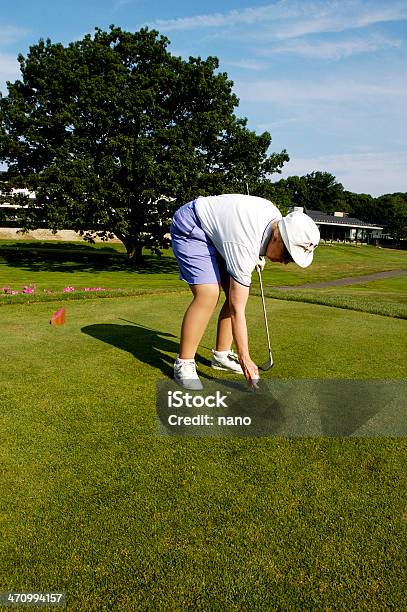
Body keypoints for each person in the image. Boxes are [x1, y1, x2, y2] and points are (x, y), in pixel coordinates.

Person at [170, 194, 320, 390]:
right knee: (208, 294)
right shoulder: (244, 246)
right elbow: (236, 310)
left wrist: (259, 254)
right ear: (277, 237)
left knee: (232, 293)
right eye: (287, 254)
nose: (285, 261)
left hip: (223, 234)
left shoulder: (276, 220)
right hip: (193, 225)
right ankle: (184, 363)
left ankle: (221, 356)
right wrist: (245, 358)